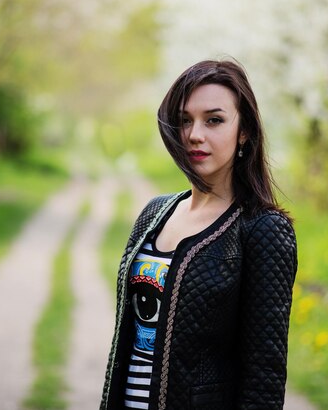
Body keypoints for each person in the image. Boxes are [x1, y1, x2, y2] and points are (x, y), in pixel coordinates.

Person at [100, 59, 298, 410]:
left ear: (245, 131)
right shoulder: (154, 214)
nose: (195, 134)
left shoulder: (262, 230)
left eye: (214, 120)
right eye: (185, 120)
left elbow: (263, 375)